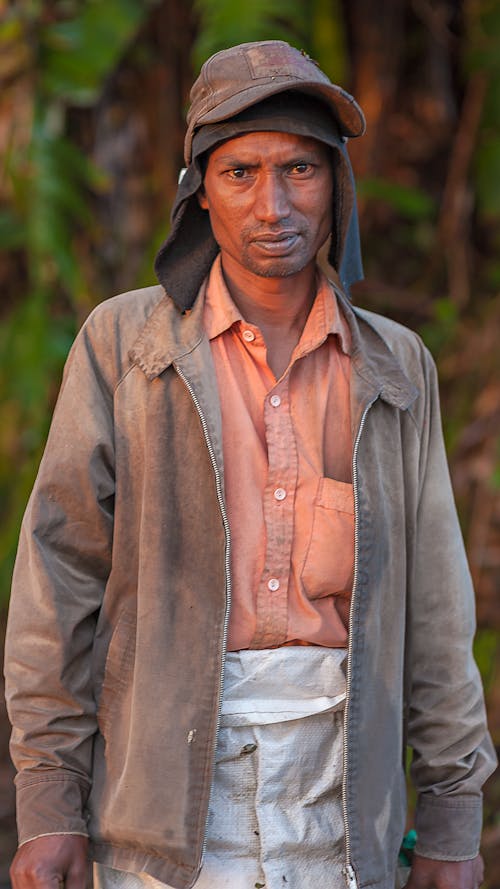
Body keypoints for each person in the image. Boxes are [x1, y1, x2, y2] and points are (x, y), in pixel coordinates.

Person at [5, 39, 496, 889]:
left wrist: (453, 815)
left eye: (301, 169)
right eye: (241, 172)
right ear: (199, 194)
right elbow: (59, 580)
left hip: (344, 812)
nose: (273, 204)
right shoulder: (125, 348)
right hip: (161, 818)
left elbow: (437, 610)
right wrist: (49, 801)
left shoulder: (394, 365)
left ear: (337, 183)